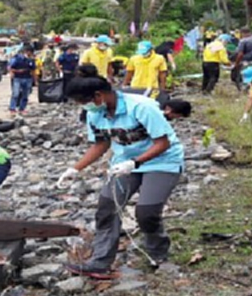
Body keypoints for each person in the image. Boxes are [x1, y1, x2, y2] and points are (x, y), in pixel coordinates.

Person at [58, 76, 186, 276]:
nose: (83, 107)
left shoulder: (142, 107)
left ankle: (158, 253)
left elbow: (163, 143)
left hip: (162, 161)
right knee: (107, 207)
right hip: (123, 163)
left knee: (147, 212)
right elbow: (101, 144)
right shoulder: (95, 114)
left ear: (98, 95)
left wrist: (135, 163)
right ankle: (100, 262)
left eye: (84, 101)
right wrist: (75, 169)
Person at [9, 45, 36, 115]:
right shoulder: (17, 58)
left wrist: (35, 80)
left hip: (28, 78)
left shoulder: (31, 60)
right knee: (15, 94)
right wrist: (17, 71)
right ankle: (12, 109)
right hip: (17, 78)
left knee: (25, 95)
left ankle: (22, 109)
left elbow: (33, 71)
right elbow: (10, 68)